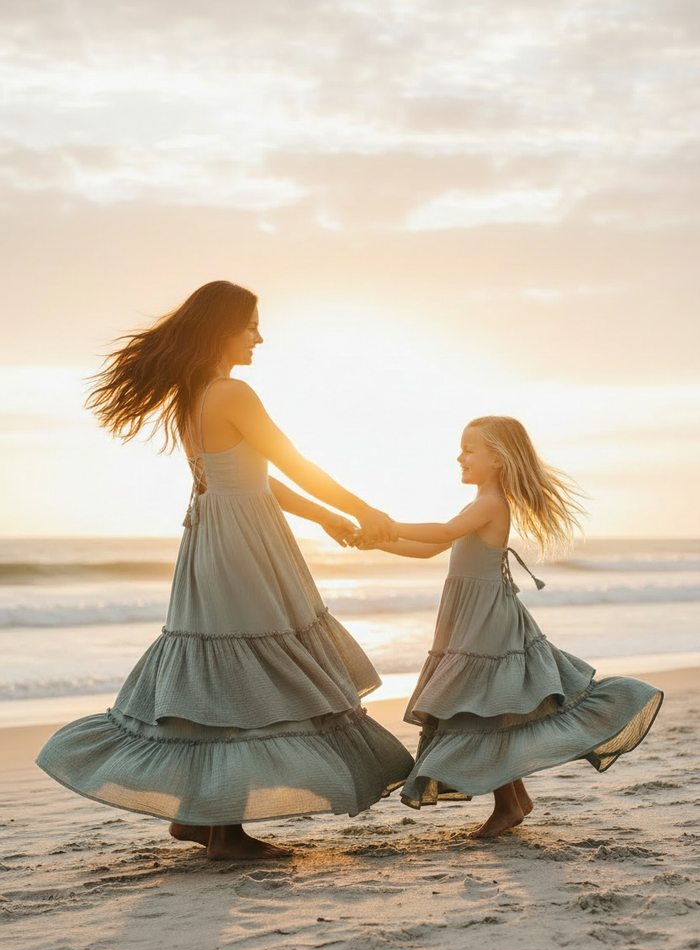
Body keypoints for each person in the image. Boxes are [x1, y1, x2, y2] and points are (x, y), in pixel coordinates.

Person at [36, 280, 413, 860]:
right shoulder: (233, 392)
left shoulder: (196, 394)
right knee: (247, 677)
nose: (260, 337)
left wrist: (324, 519)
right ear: (222, 330)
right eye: (251, 325)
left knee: (218, 674)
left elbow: (253, 476)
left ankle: (200, 816)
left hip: (216, 540)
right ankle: (225, 833)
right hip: (244, 546)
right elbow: (292, 462)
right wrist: (362, 509)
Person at [351, 416, 663, 838]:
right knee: (488, 709)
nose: (459, 457)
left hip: (486, 621)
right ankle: (513, 800)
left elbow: (441, 531)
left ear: (497, 460)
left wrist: (383, 523)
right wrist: (376, 541)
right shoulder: (476, 505)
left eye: (469, 450)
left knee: (481, 707)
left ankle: (508, 806)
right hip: (470, 619)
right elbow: (430, 549)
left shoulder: (492, 504)